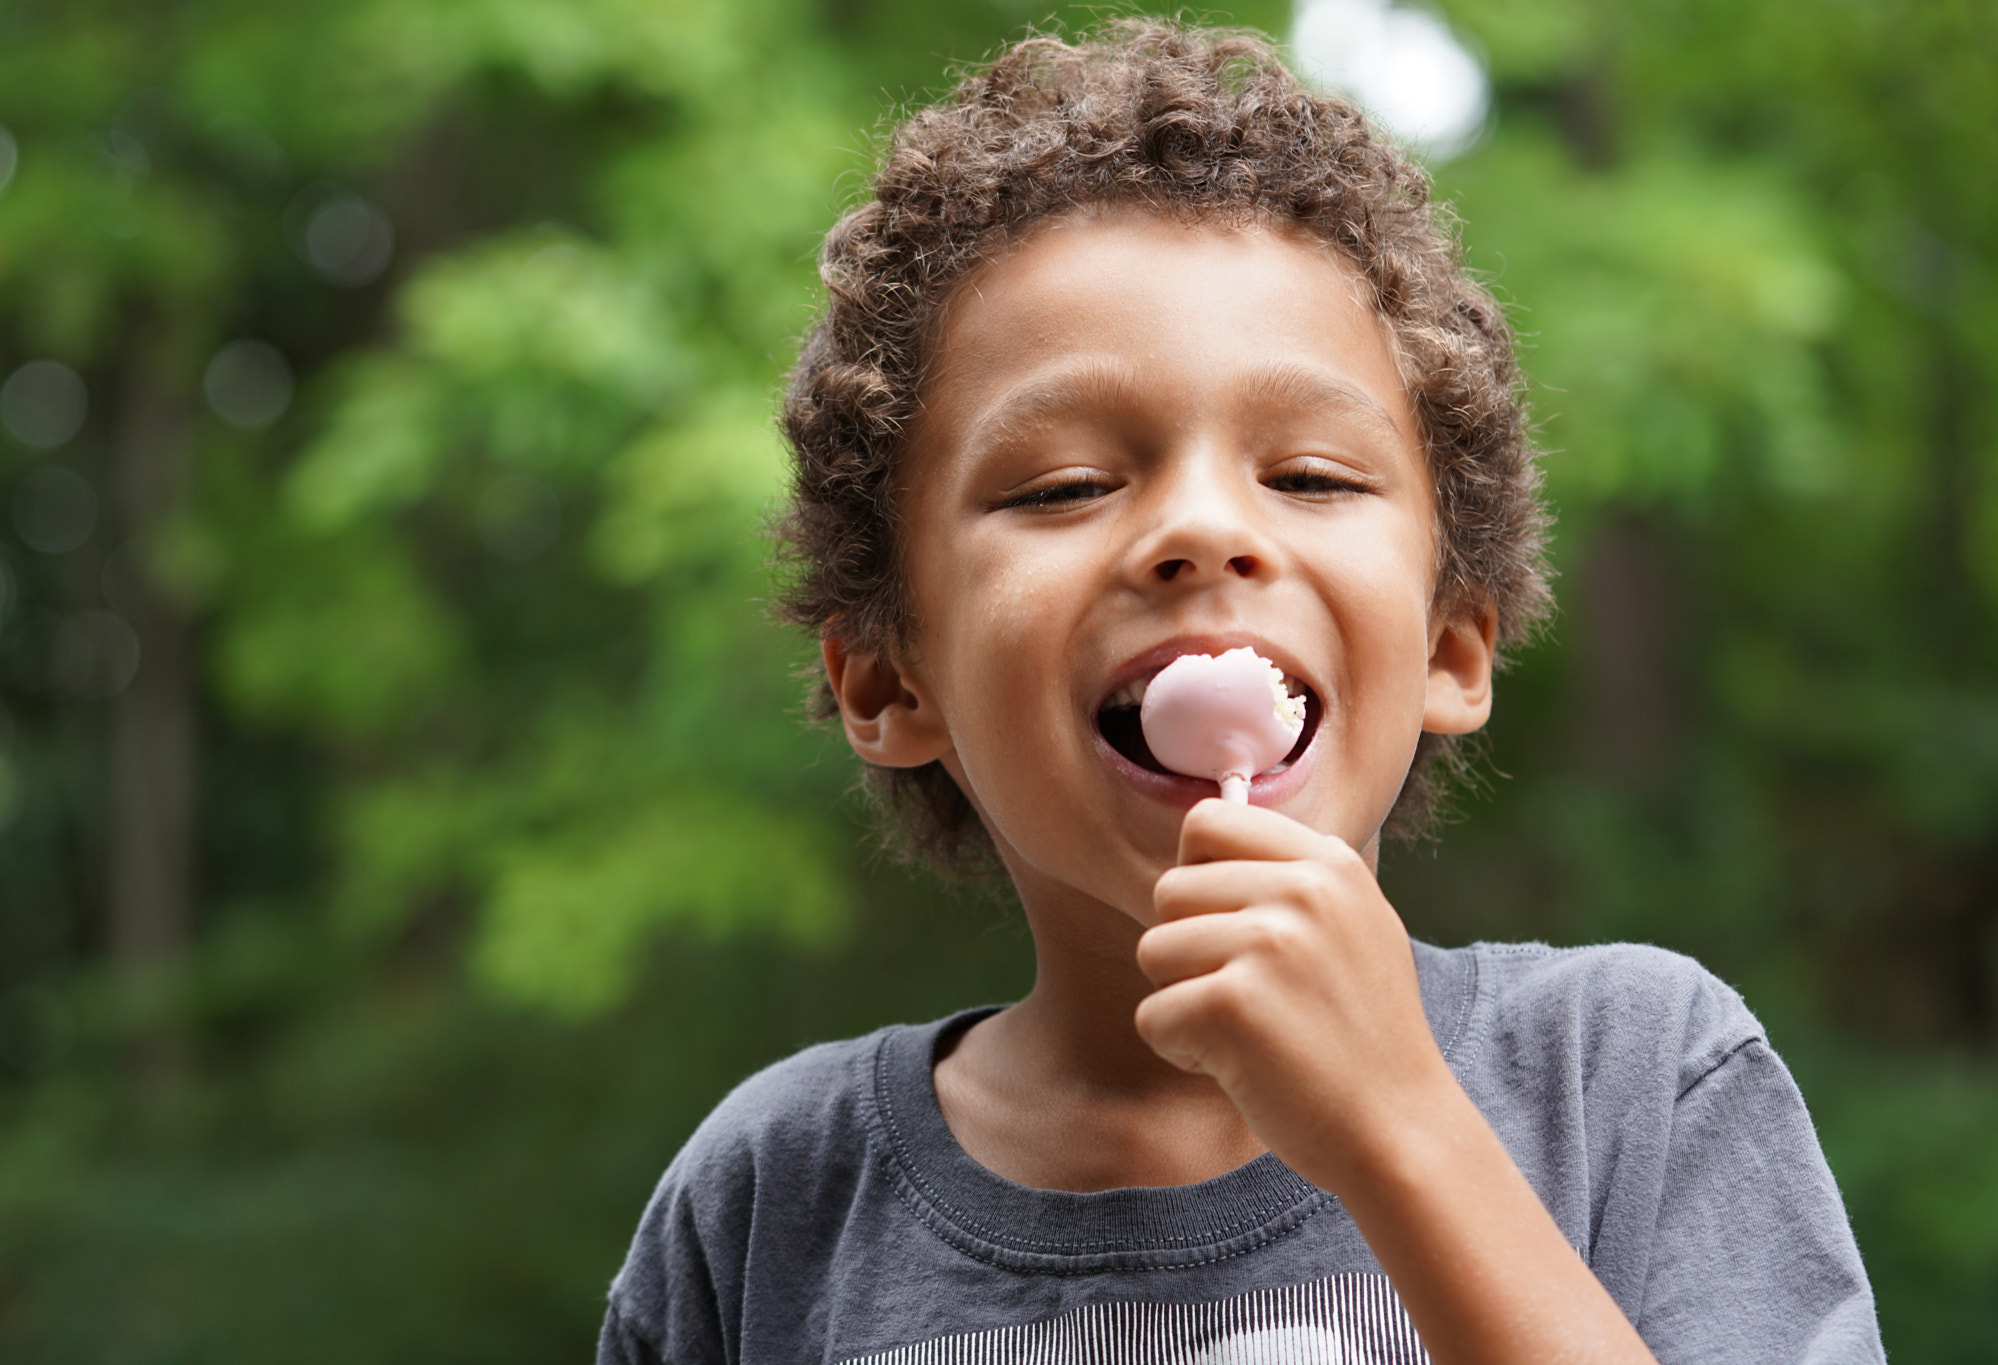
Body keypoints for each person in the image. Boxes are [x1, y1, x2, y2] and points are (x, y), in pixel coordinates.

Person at [598, 20, 1883, 1364]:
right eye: (1065, 486)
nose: (1204, 528)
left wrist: (1397, 1125)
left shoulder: (1627, 1077)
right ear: (887, 675)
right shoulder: (769, 1206)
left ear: (1451, 646)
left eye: (1314, 476)